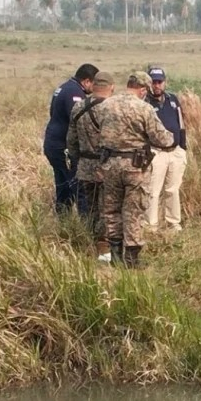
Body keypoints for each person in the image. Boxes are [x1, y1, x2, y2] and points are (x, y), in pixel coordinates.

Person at [98, 72, 174, 268]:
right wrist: (172, 138)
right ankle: (132, 260)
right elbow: (162, 139)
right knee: (133, 212)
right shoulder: (144, 108)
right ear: (142, 89)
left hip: (110, 165)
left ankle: (115, 257)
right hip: (135, 167)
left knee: (111, 210)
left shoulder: (106, 105)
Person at [67, 71, 116, 263]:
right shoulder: (111, 108)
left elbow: (71, 140)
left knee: (91, 207)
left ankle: (91, 243)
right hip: (106, 167)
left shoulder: (78, 106)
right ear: (111, 87)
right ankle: (104, 251)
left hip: (85, 166)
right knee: (107, 208)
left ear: (93, 85)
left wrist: (77, 159)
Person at [43, 63, 99, 216]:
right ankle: (85, 224)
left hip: (53, 143)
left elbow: (52, 112)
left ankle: (63, 219)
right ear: (87, 81)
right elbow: (78, 120)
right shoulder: (74, 94)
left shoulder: (64, 87)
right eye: (94, 84)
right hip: (63, 146)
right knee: (77, 186)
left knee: (63, 186)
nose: (94, 89)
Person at [144, 66, 187, 232]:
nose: (157, 85)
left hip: (175, 151)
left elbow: (181, 124)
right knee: (153, 191)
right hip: (156, 152)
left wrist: (182, 148)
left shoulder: (173, 99)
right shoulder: (145, 103)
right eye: (153, 82)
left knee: (173, 190)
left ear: (164, 82)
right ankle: (151, 225)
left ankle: (173, 223)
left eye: (159, 82)